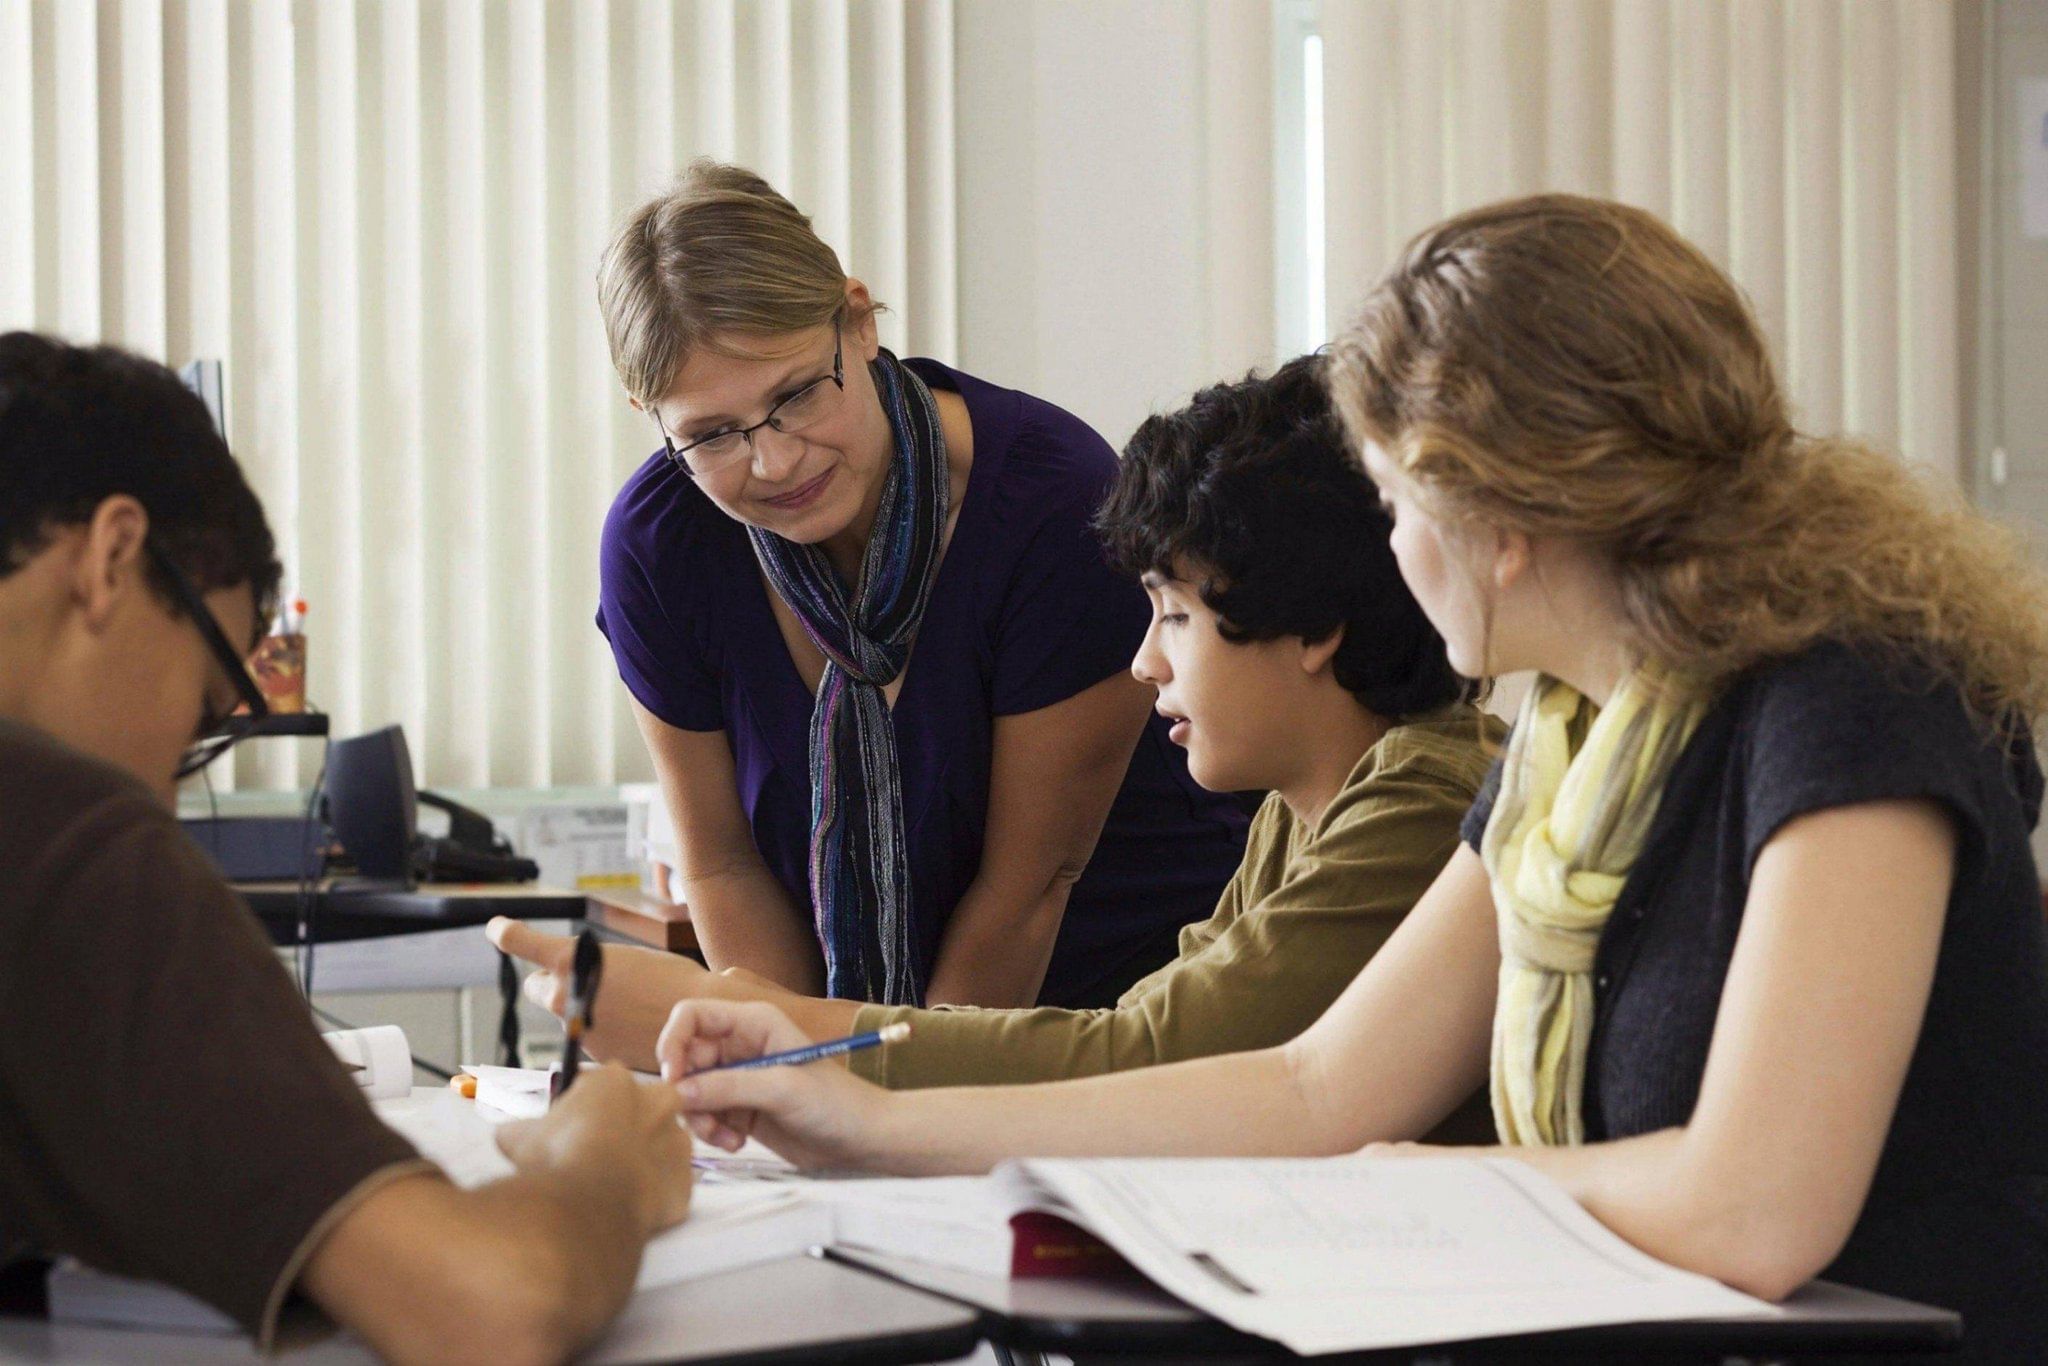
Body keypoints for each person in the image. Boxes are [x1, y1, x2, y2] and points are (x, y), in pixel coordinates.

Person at [653, 197, 2048, 1360]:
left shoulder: (1852, 701)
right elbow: (1317, 1086)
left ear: (1492, 513)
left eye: (1392, 502)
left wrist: (1433, 1191)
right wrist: (862, 1117)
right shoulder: (1579, 733)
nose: (1385, 550)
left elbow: (1756, 1207)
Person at [492, 357, 1501, 1093]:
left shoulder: (1422, 798)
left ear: (1315, 627)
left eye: (1178, 616)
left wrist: (774, 1029)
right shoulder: (1303, 805)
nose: (1144, 660)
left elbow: (1147, 1055)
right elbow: (1139, 1040)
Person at [0, 333, 694, 1365]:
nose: (173, 775)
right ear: (109, 557)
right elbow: (493, 1305)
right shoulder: (65, 833)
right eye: (204, 711)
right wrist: (600, 1154)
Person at [594, 160, 1245, 1012]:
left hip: (1125, 1001)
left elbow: (1032, 885)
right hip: (894, 1027)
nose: (774, 460)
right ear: (650, 416)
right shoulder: (660, 545)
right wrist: (801, 1071)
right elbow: (724, 864)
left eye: (795, 394)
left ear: (857, 323)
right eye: (711, 434)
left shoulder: (1054, 502)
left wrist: (888, 1105)